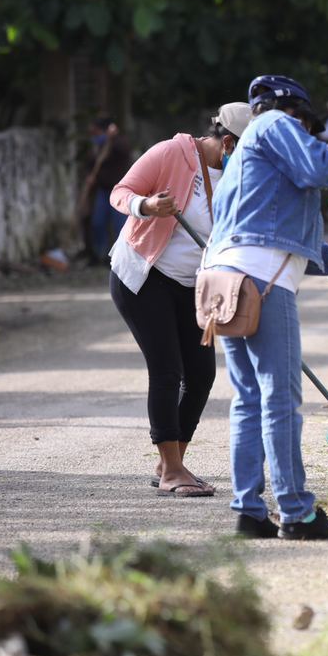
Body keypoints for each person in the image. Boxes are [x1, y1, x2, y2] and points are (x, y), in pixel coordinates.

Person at [204, 75, 328, 540]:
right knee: (278, 400)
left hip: (227, 279)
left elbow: (298, 245)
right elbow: (320, 169)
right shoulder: (274, 121)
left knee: (250, 400)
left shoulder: (251, 159)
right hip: (261, 282)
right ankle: (296, 513)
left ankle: (249, 512)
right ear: (293, 109)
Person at [108, 103, 252, 498]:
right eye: (246, 148)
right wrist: (148, 206)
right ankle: (172, 470)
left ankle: (171, 462)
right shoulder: (172, 153)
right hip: (143, 276)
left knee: (202, 375)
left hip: (194, 285)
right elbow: (120, 193)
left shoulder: (241, 175)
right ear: (227, 142)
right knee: (168, 369)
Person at [82, 118, 134, 263]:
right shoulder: (96, 148)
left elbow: (124, 149)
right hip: (103, 191)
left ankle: (121, 257)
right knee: (97, 223)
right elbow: (90, 164)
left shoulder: (118, 143)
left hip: (120, 193)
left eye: (96, 132)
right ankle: (101, 255)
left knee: (121, 227)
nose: (94, 135)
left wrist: (113, 138)